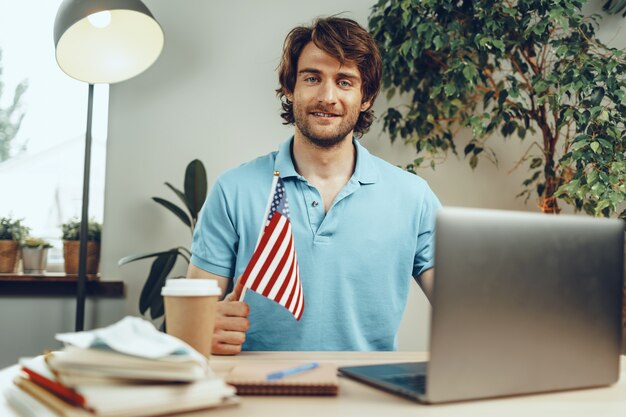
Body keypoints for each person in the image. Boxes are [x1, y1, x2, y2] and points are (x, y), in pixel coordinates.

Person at [187, 16, 440, 354]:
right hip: (256, 395)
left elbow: (467, 312)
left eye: (345, 81)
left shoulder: (414, 197)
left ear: (365, 97)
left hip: (369, 397)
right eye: (312, 78)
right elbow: (192, 319)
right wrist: (203, 327)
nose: (327, 96)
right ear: (290, 89)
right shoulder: (233, 189)